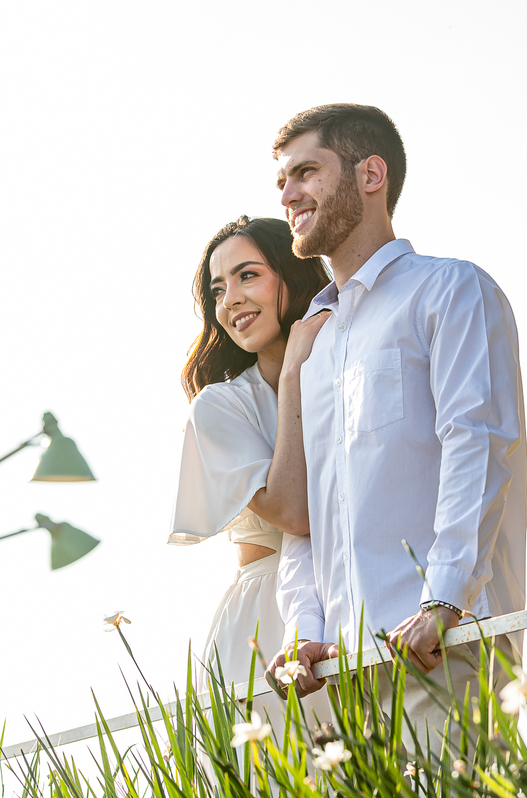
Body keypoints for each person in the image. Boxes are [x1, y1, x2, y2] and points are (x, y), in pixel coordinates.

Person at [265, 104, 527, 745]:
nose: (289, 194)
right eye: (282, 182)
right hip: (343, 677)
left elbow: (478, 444)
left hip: (449, 649)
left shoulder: (450, 290)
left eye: (306, 172)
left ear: (371, 174)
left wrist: (443, 601)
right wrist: (304, 629)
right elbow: (308, 516)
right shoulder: (316, 343)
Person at [169, 215, 330, 697]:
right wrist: (294, 374)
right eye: (217, 290)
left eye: (247, 275)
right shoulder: (219, 406)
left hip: (355, 602)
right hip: (264, 626)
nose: (230, 299)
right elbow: (291, 512)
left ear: (292, 274)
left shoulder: (349, 372)